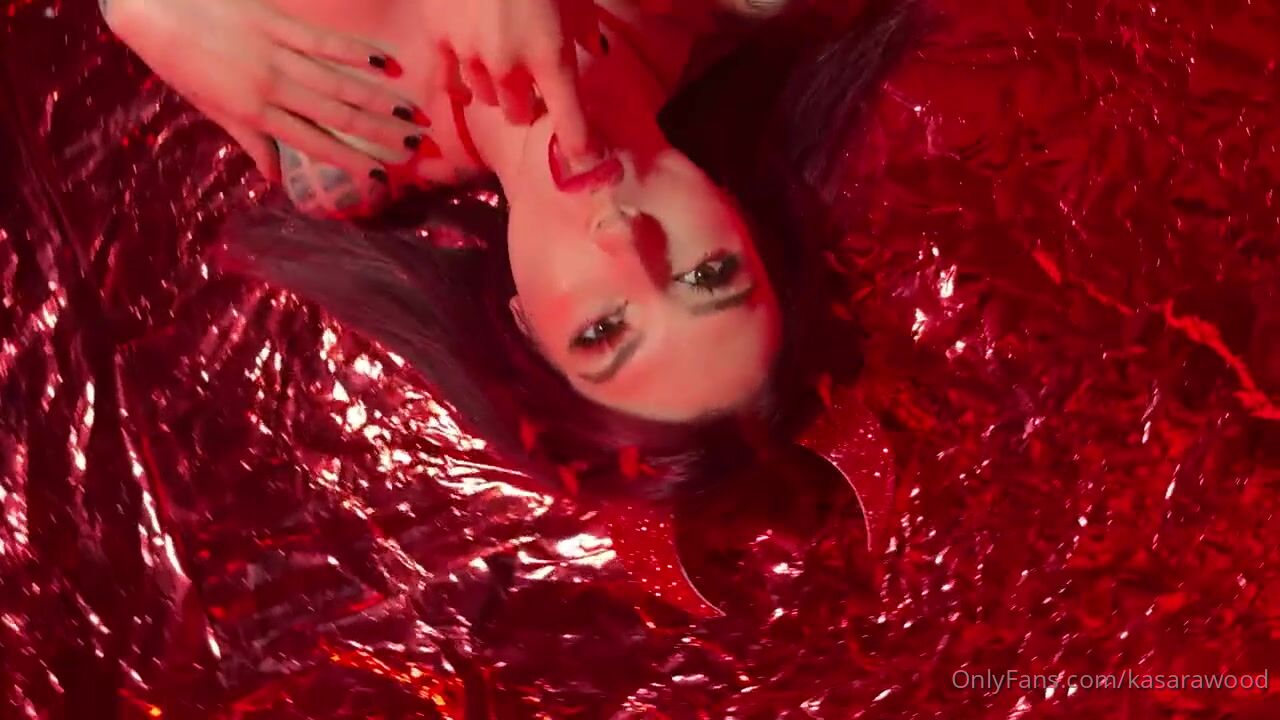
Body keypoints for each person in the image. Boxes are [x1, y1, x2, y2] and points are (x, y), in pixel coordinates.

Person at [105, 0, 922, 499]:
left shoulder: (352, 146)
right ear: (736, 213)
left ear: (525, 323)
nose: (626, 241)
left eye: (602, 329)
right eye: (707, 273)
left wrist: (138, 7)